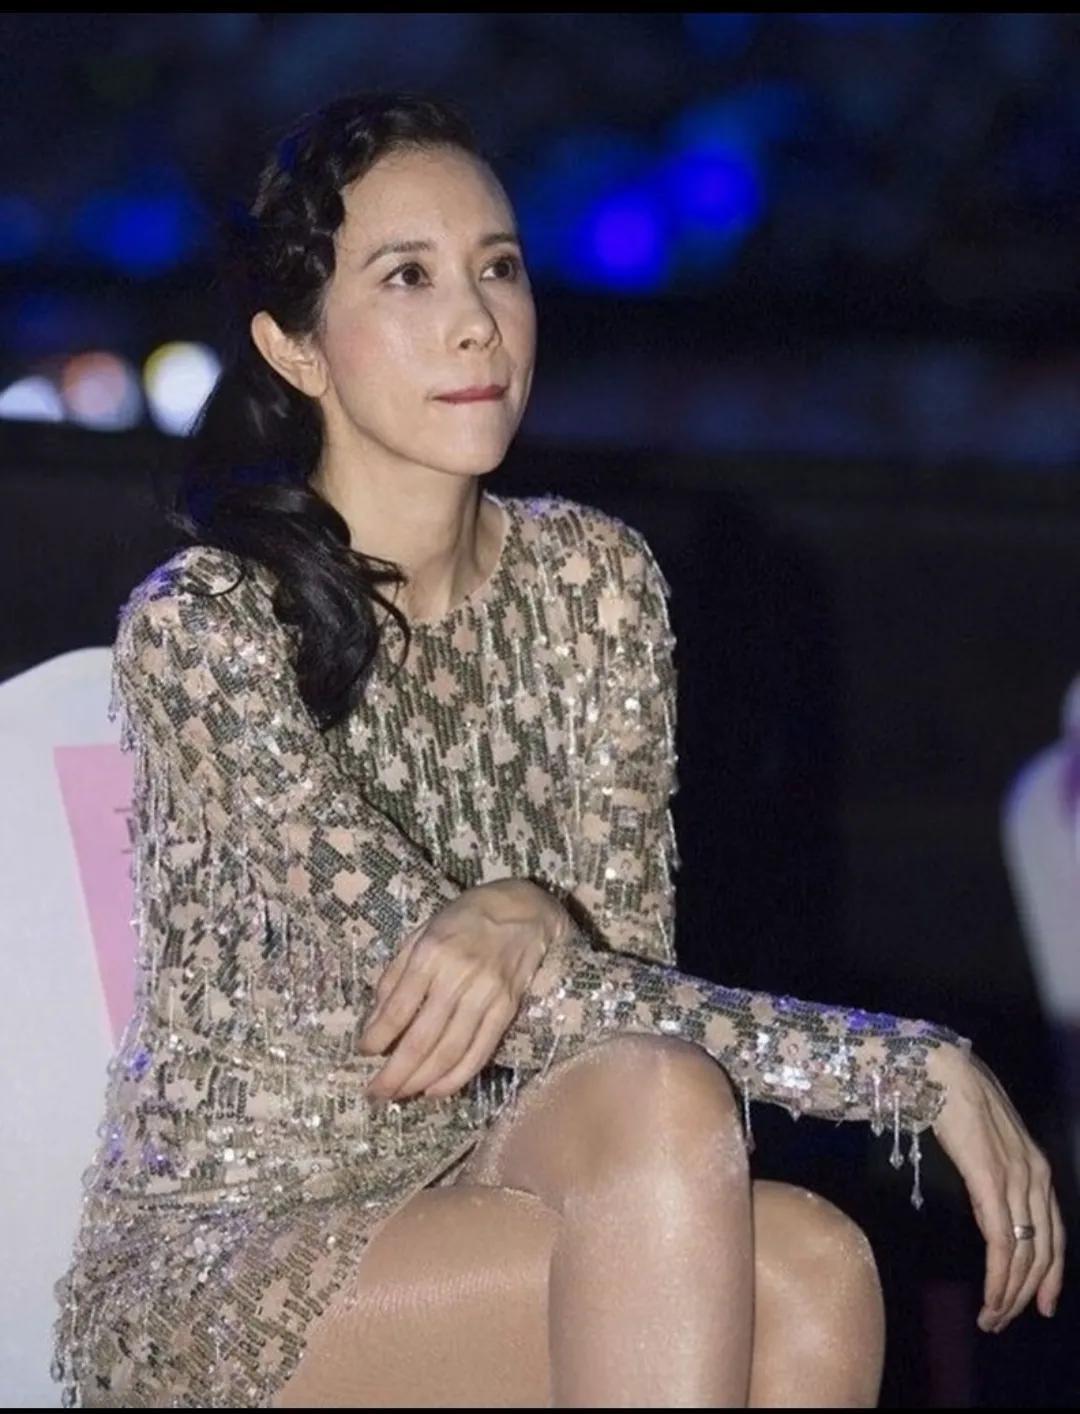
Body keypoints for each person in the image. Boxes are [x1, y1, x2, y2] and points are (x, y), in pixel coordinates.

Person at [52, 91, 1064, 1409]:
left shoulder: (594, 581)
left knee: (808, 1252)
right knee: (731, 1199)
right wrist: (904, 1069)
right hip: (237, 1260)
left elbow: (614, 1014)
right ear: (295, 347)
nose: (476, 319)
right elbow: (427, 970)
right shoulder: (207, 627)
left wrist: (537, 920)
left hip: (495, 1179)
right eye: (407, 277)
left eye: (499, 267)